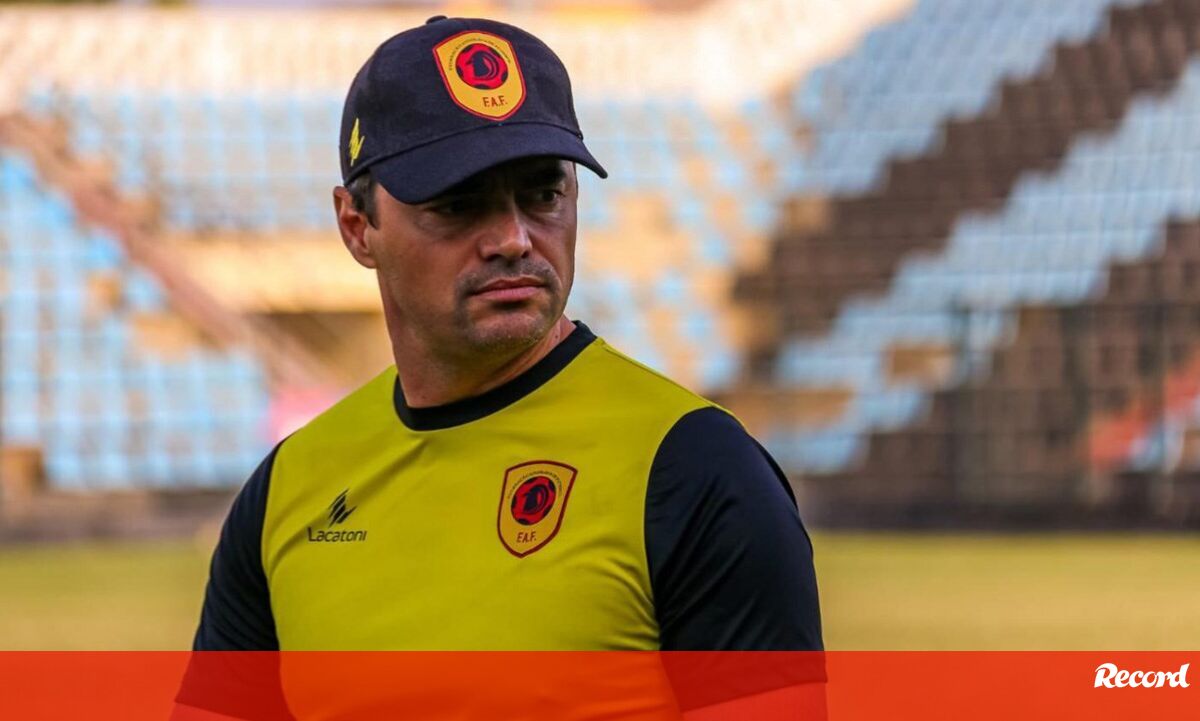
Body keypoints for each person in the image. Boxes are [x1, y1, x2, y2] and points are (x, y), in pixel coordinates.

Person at [179, 14, 822, 719]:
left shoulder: (695, 469)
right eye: (459, 203)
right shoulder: (286, 489)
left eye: (543, 194)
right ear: (357, 227)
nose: (514, 238)